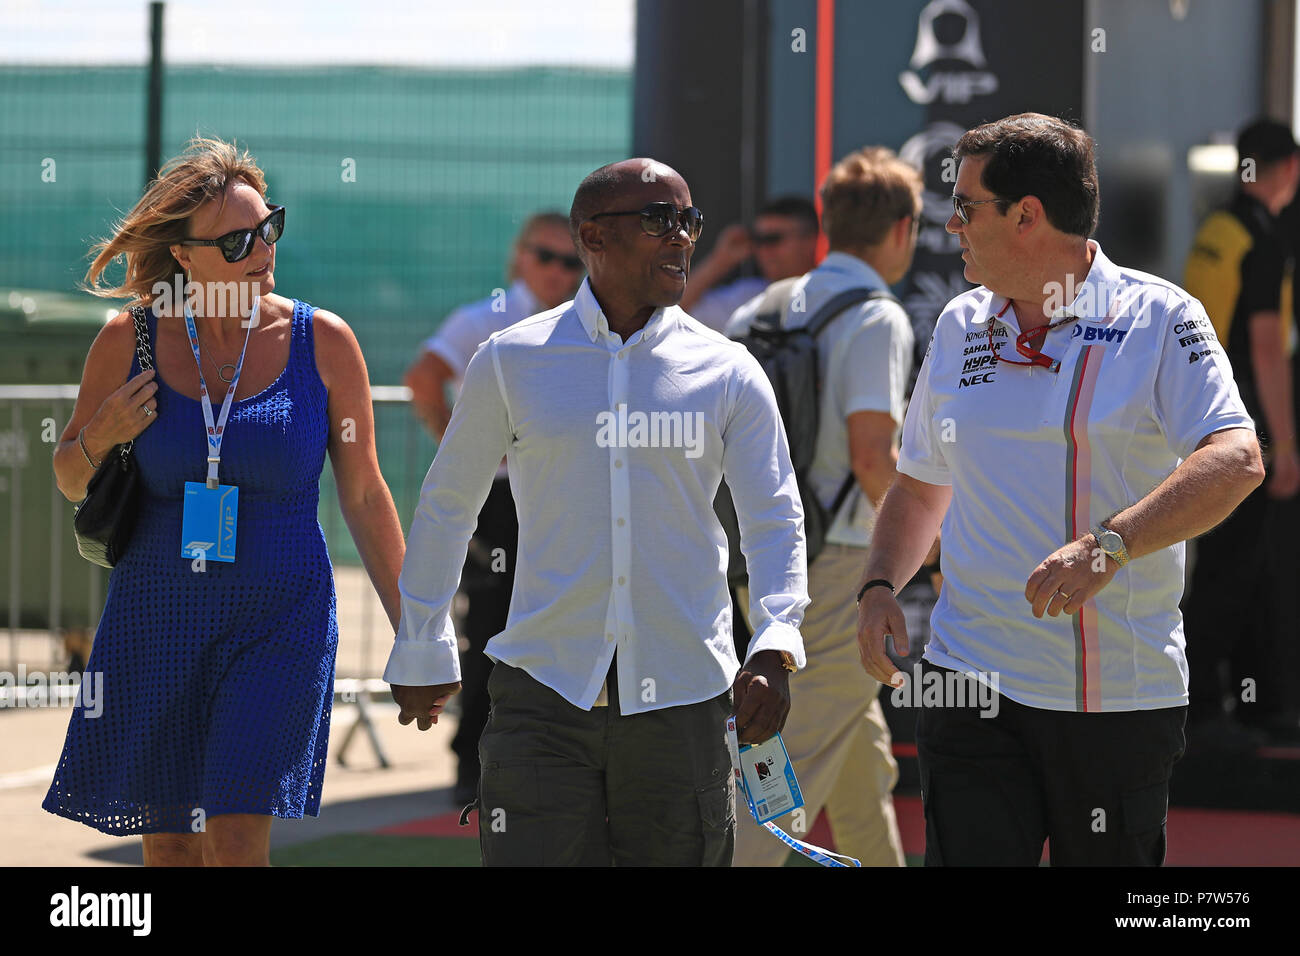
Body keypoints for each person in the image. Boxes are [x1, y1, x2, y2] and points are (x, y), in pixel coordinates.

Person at [856, 114, 1264, 866]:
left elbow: (1236, 458)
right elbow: (919, 484)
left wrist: (1111, 545)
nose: (952, 225)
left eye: (967, 206)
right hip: (968, 685)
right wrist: (880, 582)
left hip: (1115, 702)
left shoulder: (1161, 316)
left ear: (1027, 216)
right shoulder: (957, 322)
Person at [384, 158, 809, 866]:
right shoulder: (509, 359)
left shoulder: (730, 369)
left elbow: (773, 517)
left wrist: (775, 640)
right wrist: (421, 641)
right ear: (593, 236)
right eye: (657, 219)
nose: (680, 237)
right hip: (540, 698)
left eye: (689, 220)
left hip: (685, 698)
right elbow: (447, 503)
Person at [43, 137, 423, 866]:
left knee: (239, 836)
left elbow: (367, 493)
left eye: (268, 229)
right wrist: (102, 435)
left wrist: (417, 631)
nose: (261, 251)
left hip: (281, 620)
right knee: (172, 843)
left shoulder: (323, 342)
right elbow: (67, 475)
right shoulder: (131, 338)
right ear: (183, 255)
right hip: (157, 615)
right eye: (238, 241)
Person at [727, 147, 921, 867]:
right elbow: (874, 452)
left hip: (759, 557)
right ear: (902, 229)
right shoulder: (877, 317)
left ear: (828, 222)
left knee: (862, 757)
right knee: (789, 766)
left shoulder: (759, 307)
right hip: (838, 566)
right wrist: (925, 545)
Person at [402, 212, 583, 803]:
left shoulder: (592, 319)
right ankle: (473, 770)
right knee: (491, 630)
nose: (559, 270)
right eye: (546, 256)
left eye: (571, 260)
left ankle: (553, 766)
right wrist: (467, 452)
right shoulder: (488, 318)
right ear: (521, 257)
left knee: (568, 626)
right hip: (504, 499)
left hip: (565, 495)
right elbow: (423, 379)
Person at [1182, 118, 1300, 746]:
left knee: (1235, 563)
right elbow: (1266, 346)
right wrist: (1284, 444)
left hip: (1202, 415)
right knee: (1232, 567)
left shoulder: (1215, 227)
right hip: (1245, 425)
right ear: (1287, 169)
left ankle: (1246, 703)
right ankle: (1201, 710)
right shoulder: (1264, 236)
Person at [679, 196, 820, 332]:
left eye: (773, 239)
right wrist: (720, 261)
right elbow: (676, 311)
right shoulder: (748, 296)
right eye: (758, 240)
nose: (764, 250)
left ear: (809, 240)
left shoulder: (829, 290)